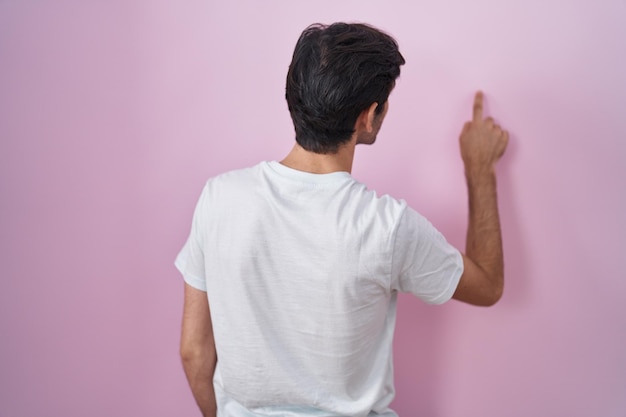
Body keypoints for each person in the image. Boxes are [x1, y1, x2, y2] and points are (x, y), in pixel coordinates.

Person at [176, 22, 508, 417]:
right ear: (369, 117)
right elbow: (487, 285)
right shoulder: (387, 228)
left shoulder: (219, 199)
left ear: (294, 97)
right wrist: (479, 168)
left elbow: (194, 352)